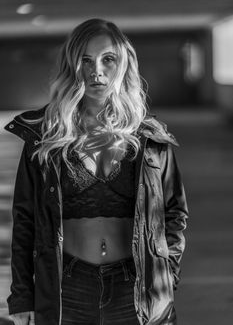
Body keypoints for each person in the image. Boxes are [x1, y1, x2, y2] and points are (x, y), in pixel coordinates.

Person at [5, 18, 188, 325]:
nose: (96, 71)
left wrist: (166, 277)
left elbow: (174, 214)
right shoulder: (45, 136)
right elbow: (25, 221)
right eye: (85, 60)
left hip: (136, 289)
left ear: (123, 65)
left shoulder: (151, 138)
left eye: (108, 59)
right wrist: (22, 296)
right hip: (68, 288)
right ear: (72, 66)